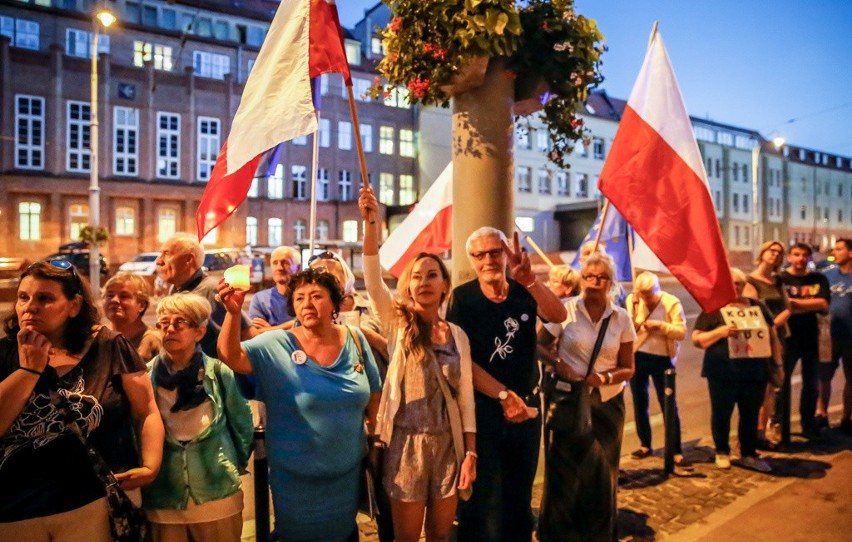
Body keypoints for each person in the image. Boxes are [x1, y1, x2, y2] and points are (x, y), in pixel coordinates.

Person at [0, 260, 163, 541]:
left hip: (90, 504)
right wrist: (29, 370)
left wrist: (151, 466)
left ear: (74, 306)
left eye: (45, 298)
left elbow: (147, 409)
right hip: (16, 510)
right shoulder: (4, 353)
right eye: (23, 297)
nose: (30, 307)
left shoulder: (108, 346)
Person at [217, 269, 382, 541]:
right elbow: (230, 355)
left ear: (335, 303)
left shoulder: (355, 338)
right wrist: (234, 313)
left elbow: (374, 392)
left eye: (317, 296)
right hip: (296, 482)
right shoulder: (276, 344)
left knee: (345, 534)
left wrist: (372, 434)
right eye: (300, 298)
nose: (307, 303)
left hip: (346, 476)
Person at [360, 187, 476, 542]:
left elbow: (466, 400)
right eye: (416, 276)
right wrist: (370, 225)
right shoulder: (398, 325)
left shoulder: (457, 335)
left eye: (432, 275)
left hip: (447, 447)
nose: (423, 282)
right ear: (407, 286)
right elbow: (371, 276)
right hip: (404, 446)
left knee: (441, 538)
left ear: (445, 285)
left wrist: (470, 452)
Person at [448, 227, 567, 542]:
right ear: (471, 259)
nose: (488, 260)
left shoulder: (522, 291)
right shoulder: (463, 298)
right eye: (479, 254)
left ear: (505, 254)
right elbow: (462, 359)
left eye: (494, 252)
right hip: (485, 411)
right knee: (482, 500)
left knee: (519, 499)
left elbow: (557, 314)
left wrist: (529, 280)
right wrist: (503, 396)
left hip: (526, 410)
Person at [538, 252, 636, 541]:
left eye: (601, 277)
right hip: (568, 402)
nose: (594, 282)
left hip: (606, 403)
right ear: (581, 279)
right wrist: (558, 363)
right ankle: (558, 533)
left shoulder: (621, 318)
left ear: (611, 282)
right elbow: (538, 344)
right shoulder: (565, 309)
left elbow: (629, 367)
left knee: (603, 473)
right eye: (589, 276)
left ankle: (598, 534)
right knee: (564, 469)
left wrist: (603, 378)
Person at [142, 292, 253, 542]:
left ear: (199, 332)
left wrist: (229, 464)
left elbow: (242, 426)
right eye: (164, 323)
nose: (169, 329)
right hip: (163, 494)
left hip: (217, 490)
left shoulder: (218, 371)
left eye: (179, 323)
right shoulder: (146, 377)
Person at [692, 268, 780, 473]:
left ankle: (748, 453)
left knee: (750, 414)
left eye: (739, 283)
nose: (736, 287)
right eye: (731, 283)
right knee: (722, 413)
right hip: (722, 371)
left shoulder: (758, 306)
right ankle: (722, 451)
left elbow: (772, 337)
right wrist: (720, 332)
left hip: (755, 371)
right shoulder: (713, 309)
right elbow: (697, 339)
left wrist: (778, 365)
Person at [155, 234, 252, 357]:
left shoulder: (211, 290)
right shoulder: (176, 289)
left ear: (188, 259)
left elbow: (247, 334)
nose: (159, 261)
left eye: (167, 254)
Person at [626, 271, 686, 463]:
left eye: (649, 296)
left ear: (657, 290)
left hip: (663, 358)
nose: (647, 301)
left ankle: (675, 449)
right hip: (638, 355)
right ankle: (645, 444)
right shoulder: (633, 301)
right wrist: (636, 319)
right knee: (639, 402)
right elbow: (628, 327)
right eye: (643, 296)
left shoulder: (671, 302)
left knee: (668, 404)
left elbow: (681, 331)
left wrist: (661, 326)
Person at [778, 242, 830, 437]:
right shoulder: (781, 279)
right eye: (796, 254)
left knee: (811, 384)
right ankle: (781, 427)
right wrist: (809, 304)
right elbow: (778, 306)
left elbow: (823, 303)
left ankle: (808, 424)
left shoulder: (819, 279)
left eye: (804, 255)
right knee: (781, 383)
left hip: (812, 339)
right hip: (787, 339)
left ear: (809, 258)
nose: (800, 259)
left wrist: (791, 303)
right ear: (789, 257)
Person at [744, 240, 790, 446]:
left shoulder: (777, 281)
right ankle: (751, 432)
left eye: (779, 253)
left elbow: (787, 307)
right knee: (758, 388)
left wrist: (775, 324)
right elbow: (752, 311)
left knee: (772, 386)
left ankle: (762, 432)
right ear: (762, 253)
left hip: (778, 337)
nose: (774, 255)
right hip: (759, 338)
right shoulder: (750, 281)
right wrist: (770, 326)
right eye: (771, 251)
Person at [819, 238, 852, 434]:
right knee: (823, 377)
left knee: (851, 378)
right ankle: (821, 414)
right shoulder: (827, 276)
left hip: (851, 337)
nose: (834, 252)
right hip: (828, 336)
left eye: (839, 249)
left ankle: (847, 418)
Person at [103, 271, 162, 361]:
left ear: (141, 305)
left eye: (124, 296)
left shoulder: (154, 340)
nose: (114, 300)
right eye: (110, 295)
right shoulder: (97, 338)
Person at [248, 246, 300, 332]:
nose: (279, 267)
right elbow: (255, 333)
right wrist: (292, 324)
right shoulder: (260, 299)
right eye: (275, 263)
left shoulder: (306, 297)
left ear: (297, 268)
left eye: (285, 263)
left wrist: (269, 330)